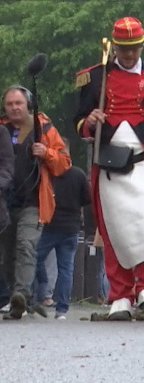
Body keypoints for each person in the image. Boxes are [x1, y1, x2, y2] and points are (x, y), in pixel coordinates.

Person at [75, 17, 144, 321]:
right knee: (114, 231)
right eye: (124, 48)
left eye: (134, 48)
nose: (129, 54)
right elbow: (79, 121)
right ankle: (119, 294)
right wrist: (90, 121)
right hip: (109, 164)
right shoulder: (95, 77)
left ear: (142, 45)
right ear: (114, 47)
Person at [0, 85, 71, 319]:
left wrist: (46, 153)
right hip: (5, 202)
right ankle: (17, 297)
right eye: (10, 104)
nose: (14, 108)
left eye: (18, 103)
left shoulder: (44, 128)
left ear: (27, 104)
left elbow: (64, 163)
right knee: (8, 252)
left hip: (33, 200)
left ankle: (20, 294)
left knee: (26, 246)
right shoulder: (2, 128)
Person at [34, 157, 91, 320]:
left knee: (34, 259)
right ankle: (62, 310)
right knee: (66, 269)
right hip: (71, 227)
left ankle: (41, 290)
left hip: (50, 226)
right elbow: (86, 199)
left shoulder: (48, 173)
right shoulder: (79, 174)